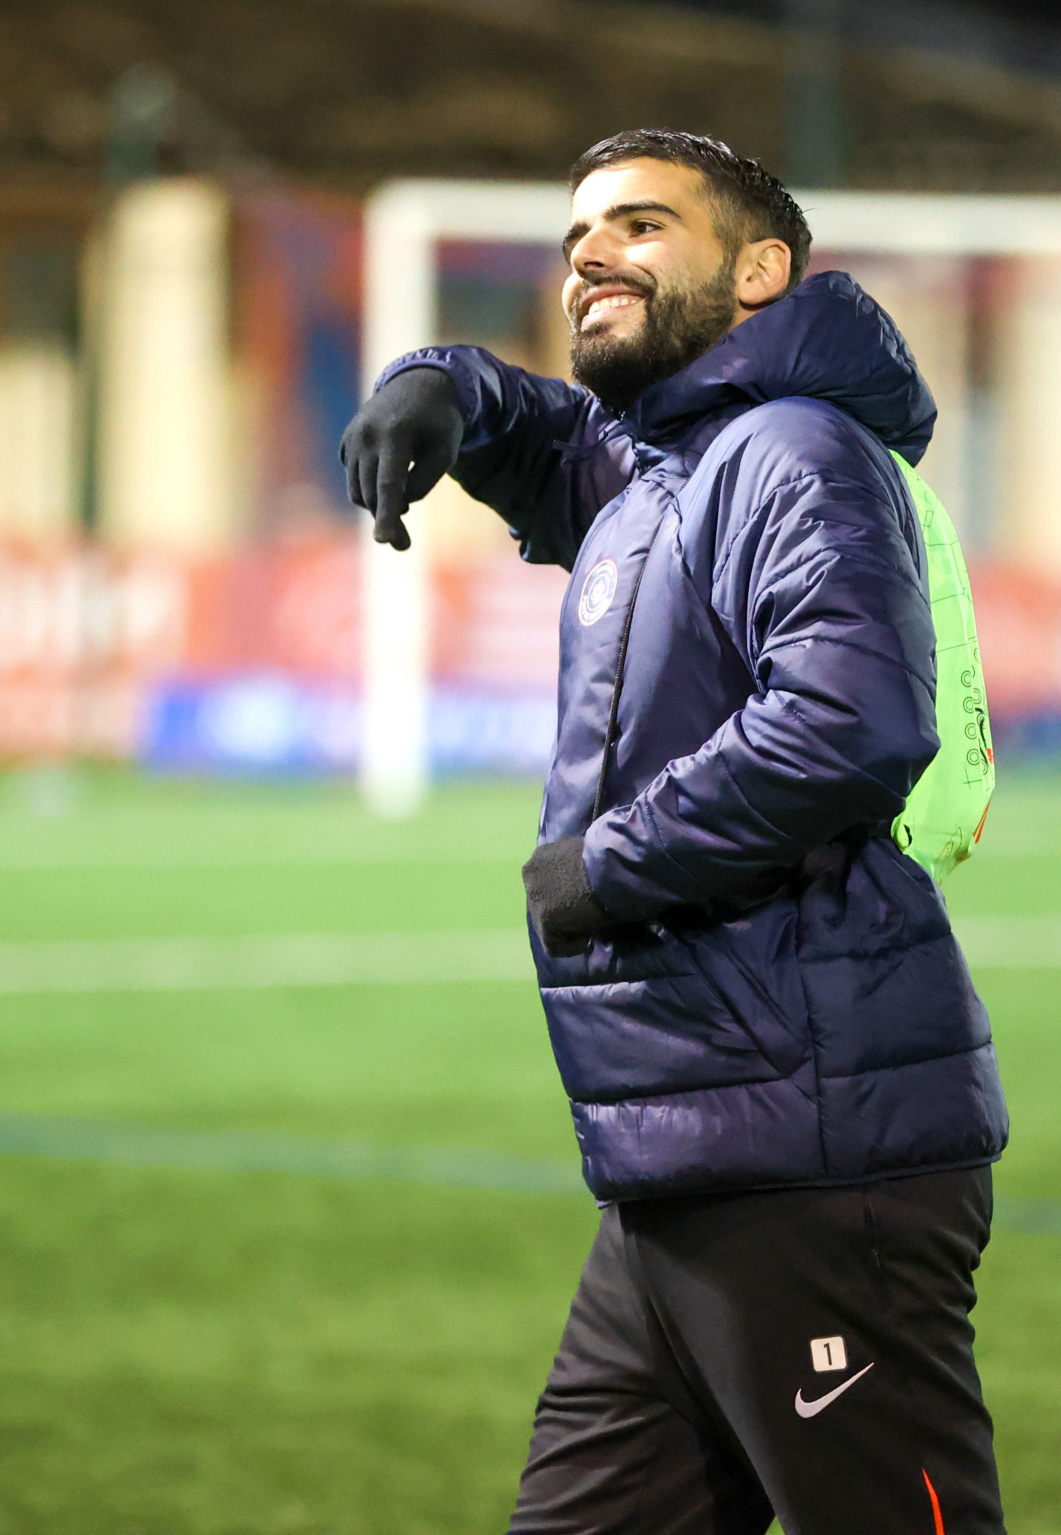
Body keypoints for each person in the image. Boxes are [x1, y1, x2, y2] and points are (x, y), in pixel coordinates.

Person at [339, 129, 1009, 1535]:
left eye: (642, 226)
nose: (592, 253)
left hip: (811, 1147)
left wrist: (608, 869)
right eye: (581, 232)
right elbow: (540, 433)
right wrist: (432, 389)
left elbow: (853, 719)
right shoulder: (660, 466)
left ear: (758, 271)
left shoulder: (792, 453)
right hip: (686, 1150)